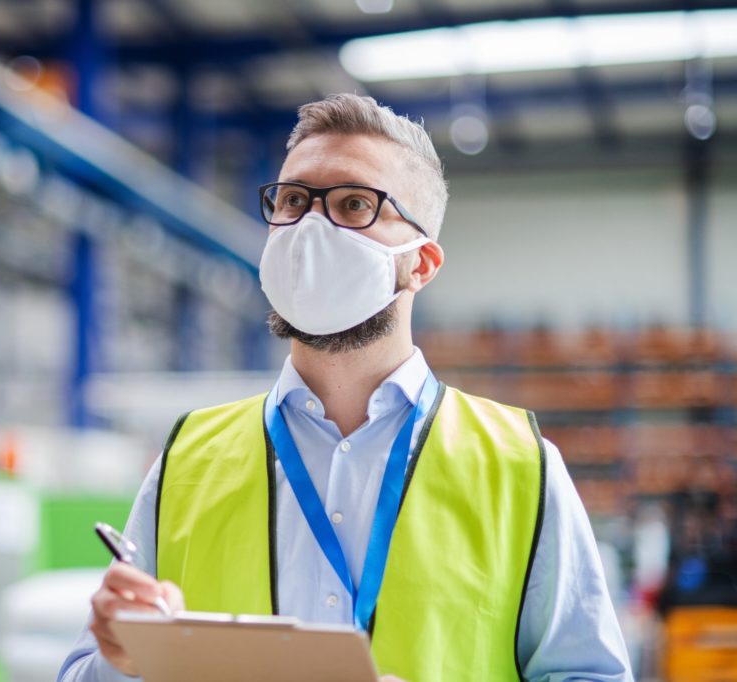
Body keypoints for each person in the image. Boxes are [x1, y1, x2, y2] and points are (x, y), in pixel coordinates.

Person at [58, 93, 633, 681]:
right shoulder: (186, 458)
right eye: (293, 200)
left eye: (354, 203)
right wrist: (120, 659)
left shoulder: (520, 465)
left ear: (422, 263)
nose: (311, 227)